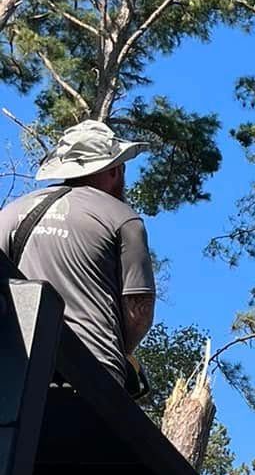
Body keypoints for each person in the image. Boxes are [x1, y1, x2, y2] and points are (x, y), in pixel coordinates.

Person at [0, 120, 155, 390]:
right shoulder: (123, 218)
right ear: (115, 170)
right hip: (92, 377)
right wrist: (124, 353)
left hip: (16, 374)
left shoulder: (12, 213)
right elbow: (138, 310)